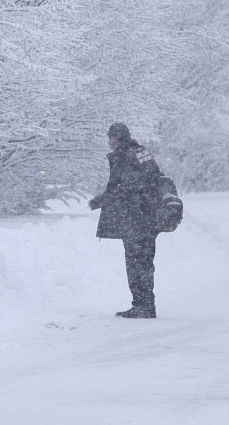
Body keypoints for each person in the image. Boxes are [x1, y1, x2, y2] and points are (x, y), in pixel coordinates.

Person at [89, 123, 172, 319]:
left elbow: (123, 186)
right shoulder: (141, 152)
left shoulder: (123, 156)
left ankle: (142, 306)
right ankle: (146, 305)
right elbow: (150, 178)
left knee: (136, 263)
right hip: (149, 216)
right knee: (144, 262)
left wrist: (101, 200)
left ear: (116, 138)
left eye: (110, 138)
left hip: (136, 217)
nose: (109, 142)